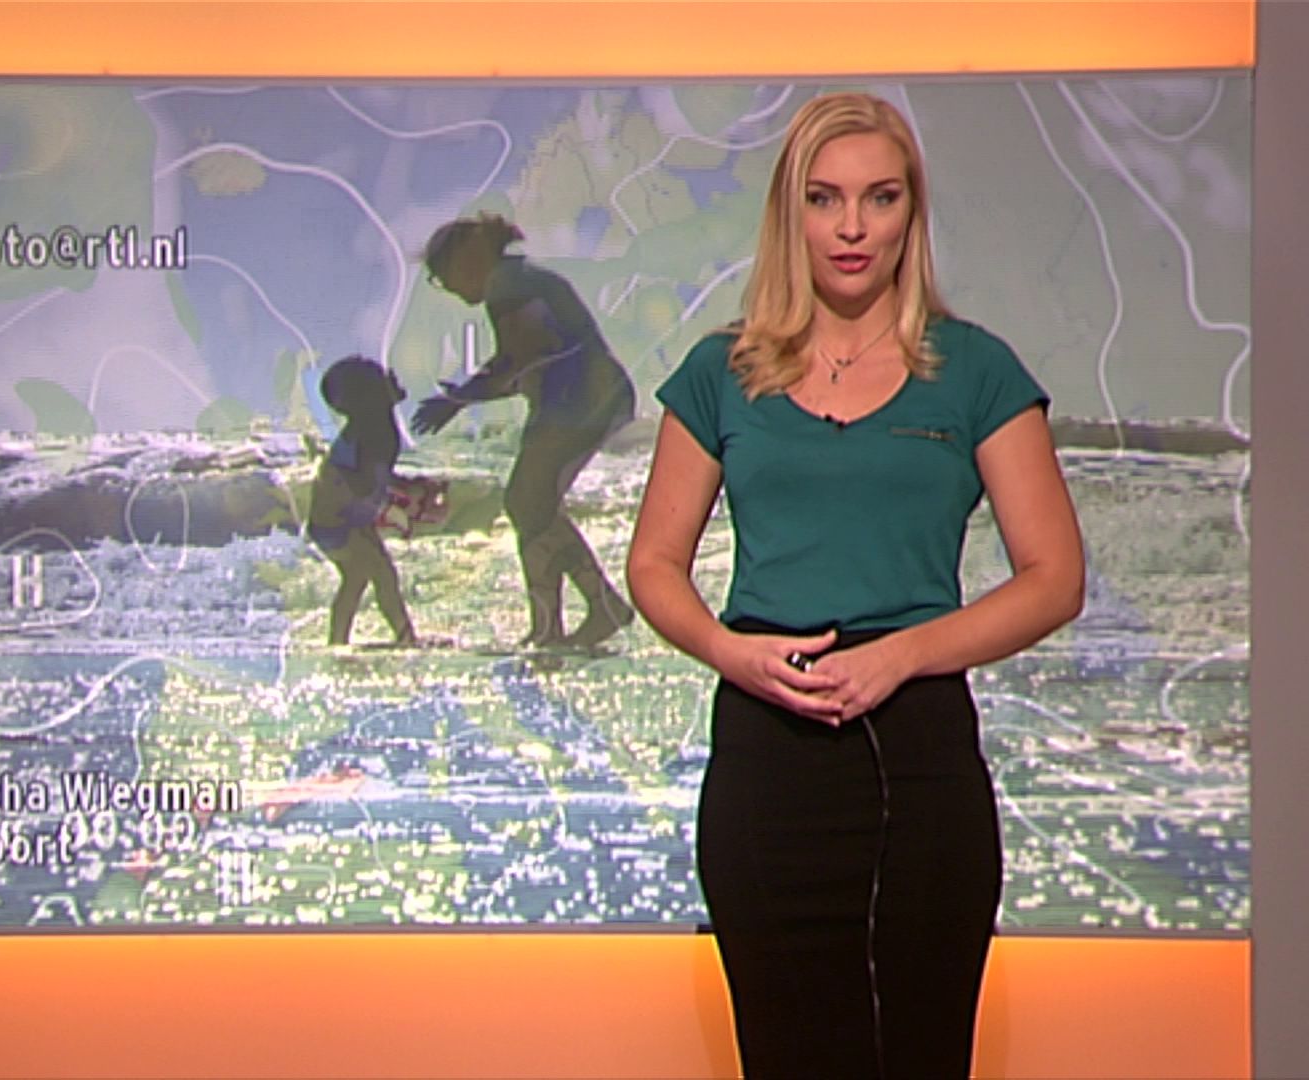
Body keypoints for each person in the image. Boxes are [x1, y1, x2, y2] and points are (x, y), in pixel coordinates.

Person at [625, 93, 1084, 1078]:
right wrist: (729, 652)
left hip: (916, 756)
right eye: (825, 198)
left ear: (911, 211)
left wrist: (901, 657)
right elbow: (654, 564)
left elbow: (1053, 579)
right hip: (767, 751)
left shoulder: (975, 372)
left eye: (880, 198)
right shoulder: (720, 374)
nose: (851, 227)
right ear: (790, 213)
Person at [413, 213, 637, 648]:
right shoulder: (516, 280)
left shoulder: (509, 286)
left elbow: (524, 357)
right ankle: (557, 622)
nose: (449, 288)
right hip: (576, 398)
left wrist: (460, 399)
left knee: (528, 501)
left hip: (581, 398)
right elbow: (519, 361)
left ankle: (594, 608)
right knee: (530, 504)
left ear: (466, 260)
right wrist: (465, 395)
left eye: (443, 276)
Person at [306, 355, 417, 647]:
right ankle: (405, 638)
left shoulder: (376, 424)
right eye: (381, 379)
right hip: (339, 521)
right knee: (382, 573)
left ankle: (337, 641)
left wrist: (398, 486)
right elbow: (364, 480)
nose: (392, 377)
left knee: (357, 579)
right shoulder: (371, 431)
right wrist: (393, 499)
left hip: (343, 519)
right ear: (367, 399)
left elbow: (376, 474)